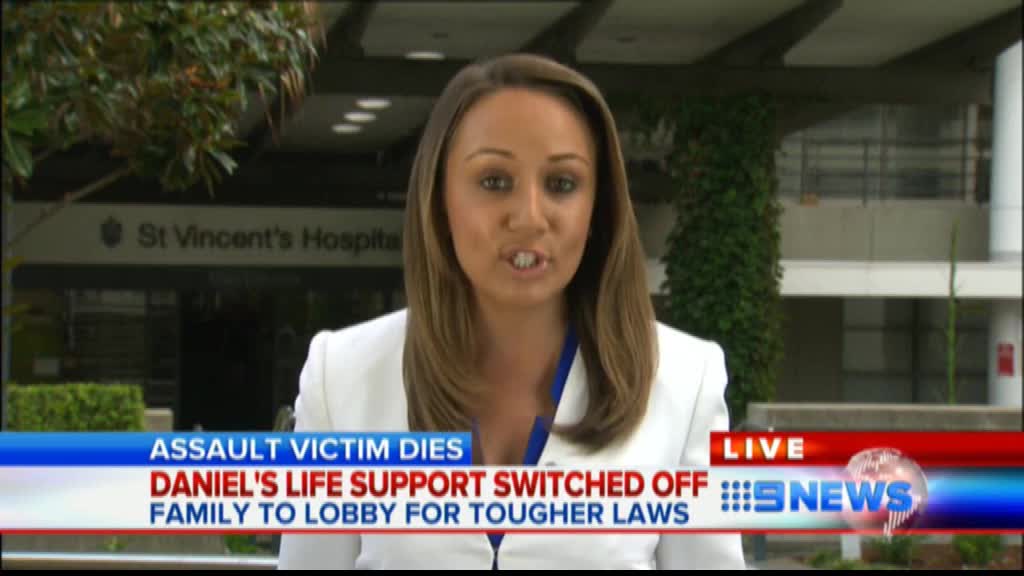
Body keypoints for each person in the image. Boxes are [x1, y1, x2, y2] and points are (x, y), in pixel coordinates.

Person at [277, 53, 745, 570]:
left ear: (597, 209)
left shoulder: (683, 380)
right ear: (439, 199)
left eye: (562, 184)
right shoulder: (340, 376)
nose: (528, 217)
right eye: (495, 181)